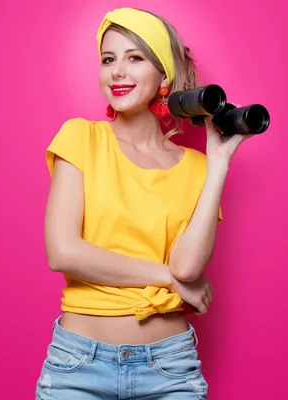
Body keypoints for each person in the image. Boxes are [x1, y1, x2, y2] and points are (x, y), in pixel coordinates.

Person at [35, 7, 252, 399]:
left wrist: (218, 164)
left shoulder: (197, 168)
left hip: (170, 369)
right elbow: (63, 252)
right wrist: (167, 278)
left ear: (163, 76)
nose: (117, 71)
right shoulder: (82, 138)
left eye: (135, 58)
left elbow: (187, 267)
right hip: (79, 366)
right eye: (108, 59)